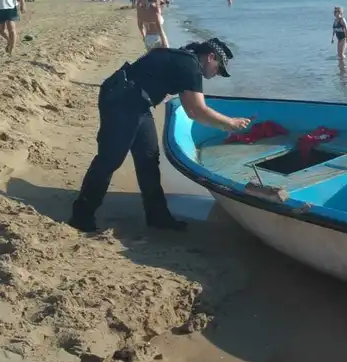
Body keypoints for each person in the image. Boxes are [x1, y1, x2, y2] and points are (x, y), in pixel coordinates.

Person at [67, 38, 251, 233]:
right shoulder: (190, 66)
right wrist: (230, 124)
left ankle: (157, 216)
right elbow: (195, 111)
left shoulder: (185, 60)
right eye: (218, 69)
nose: (217, 74)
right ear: (210, 57)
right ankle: (81, 215)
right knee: (110, 159)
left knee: (148, 158)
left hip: (137, 102)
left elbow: (190, 105)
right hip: (121, 99)